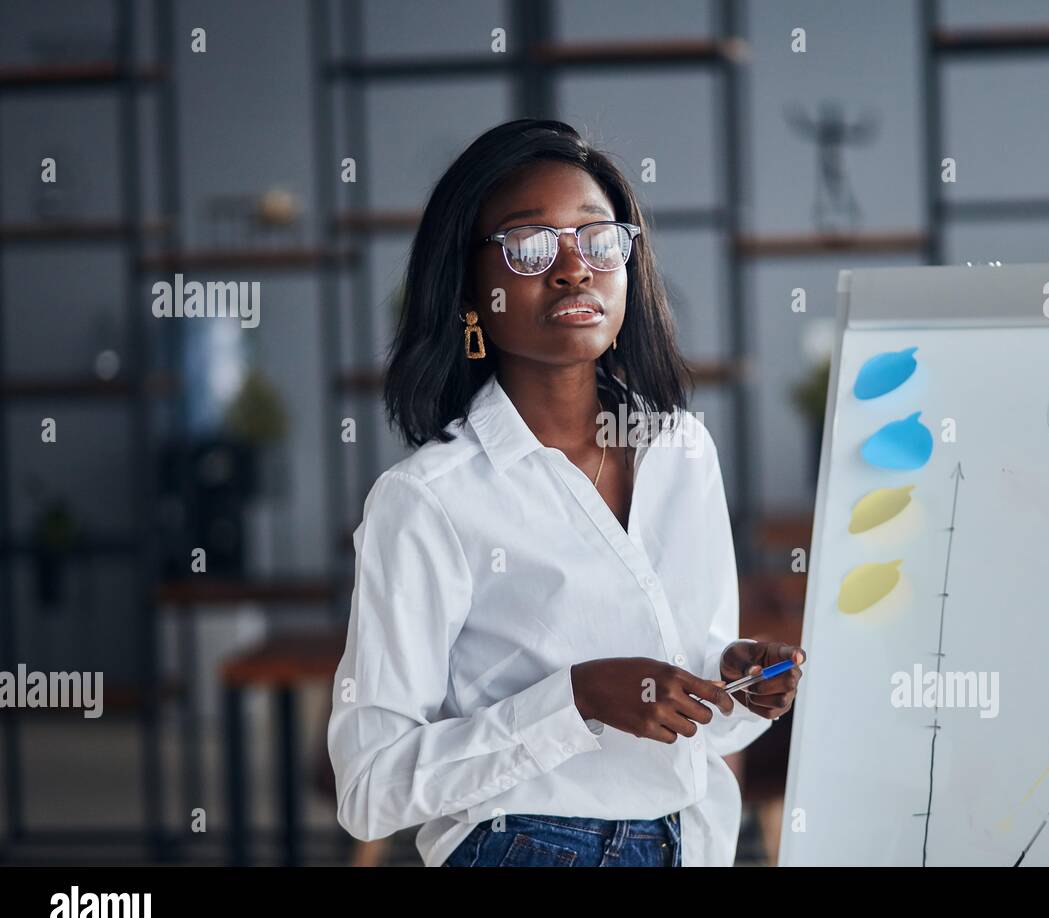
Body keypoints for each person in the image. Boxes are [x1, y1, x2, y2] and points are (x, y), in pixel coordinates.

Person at [327, 118, 804, 867]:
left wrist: (736, 681)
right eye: (529, 245)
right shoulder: (428, 499)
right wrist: (574, 701)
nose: (574, 268)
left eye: (598, 238)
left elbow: (694, 708)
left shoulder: (680, 452)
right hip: (521, 846)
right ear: (469, 290)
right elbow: (369, 789)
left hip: (687, 838)